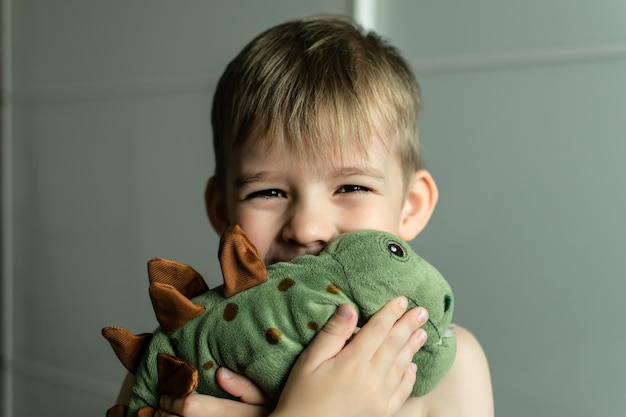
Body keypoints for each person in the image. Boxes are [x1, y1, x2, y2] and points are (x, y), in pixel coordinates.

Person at [119, 14, 493, 417]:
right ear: (222, 210)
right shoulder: (184, 355)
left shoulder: (450, 369)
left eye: (352, 187)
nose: (306, 228)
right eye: (268, 192)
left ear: (412, 206)